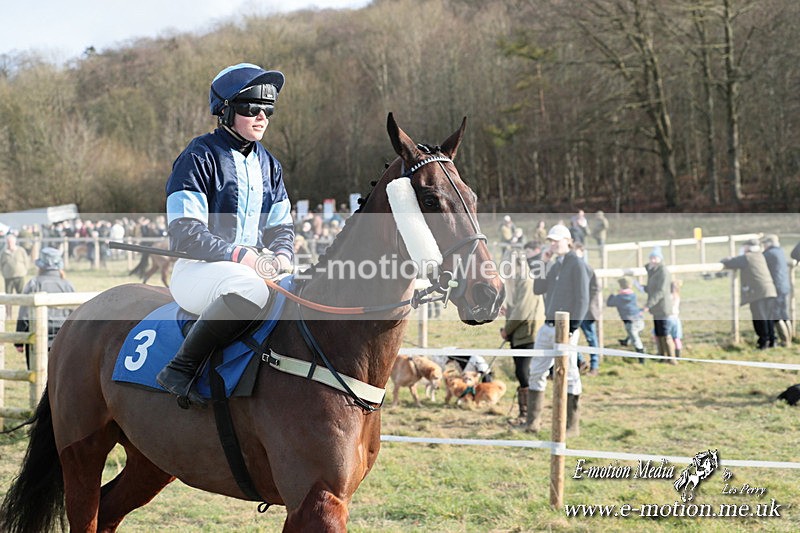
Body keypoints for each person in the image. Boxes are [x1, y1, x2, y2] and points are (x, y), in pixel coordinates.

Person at [157, 63, 295, 408]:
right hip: (199, 270)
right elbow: (186, 234)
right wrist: (243, 255)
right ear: (225, 111)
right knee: (249, 288)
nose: (262, 117)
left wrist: (282, 255)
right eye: (251, 109)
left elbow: (281, 227)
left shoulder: (270, 165)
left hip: (251, 267)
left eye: (268, 110)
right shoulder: (197, 157)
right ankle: (180, 369)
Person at [527, 224, 589, 437]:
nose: (553, 244)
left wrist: (572, 329)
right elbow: (538, 289)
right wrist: (543, 263)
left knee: (570, 373)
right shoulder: (554, 265)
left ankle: (572, 425)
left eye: (556, 241)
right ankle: (533, 422)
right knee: (536, 371)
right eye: (551, 241)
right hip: (548, 325)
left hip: (566, 329)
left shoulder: (577, 264)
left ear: (568, 241)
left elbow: (582, 299)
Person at [501, 241, 545, 425]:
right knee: (521, 372)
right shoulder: (517, 281)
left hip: (528, 332)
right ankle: (525, 414)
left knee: (523, 372)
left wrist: (506, 330)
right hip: (519, 332)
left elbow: (522, 311)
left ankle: (529, 416)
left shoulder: (526, 280)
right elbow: (515, 308)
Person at [15, 248, 75, 370]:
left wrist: (19, 340)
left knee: (37, 375)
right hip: (62, 338)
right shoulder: (67, 285)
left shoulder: (34, 283)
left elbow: (24, 314)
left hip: (37, 337)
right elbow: (74, 313)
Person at [721, 240, 777, 349]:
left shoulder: (747, 257)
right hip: (769, 290)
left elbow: (730, 262)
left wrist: (725, 259)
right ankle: (772, 340)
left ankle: (763, 342)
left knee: (759, 318)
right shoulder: (759, 256)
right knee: (768, 317)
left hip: (758, 292)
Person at [644, 246, 676, 364]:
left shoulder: (663, 272)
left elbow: (660, 291)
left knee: (665, 333)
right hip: (656, 308)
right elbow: (652, 287)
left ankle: (671, 358)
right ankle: (662, 356)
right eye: (651, 258)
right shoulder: (654, 271)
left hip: (663, 307)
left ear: (660, 258)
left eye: (655, 258)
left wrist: (649, 304)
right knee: (658, 333)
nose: (652, 260)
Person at [574, 242, 601, 375]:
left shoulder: (587, 269)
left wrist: (588, 304)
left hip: (586, 311)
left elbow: (595, 288)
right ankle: (581, 361)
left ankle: (595, 365)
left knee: (591, 337)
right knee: (569, 337)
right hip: (574, 310)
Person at [761, 234, 792, 346]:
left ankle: (785, 341)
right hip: (784, 286)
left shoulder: (768, 254)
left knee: (776, 314)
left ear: (768, 243)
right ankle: (790, 338)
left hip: (777, 287)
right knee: (784, 313)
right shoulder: (780, 251)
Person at [606, 277, 646, 363]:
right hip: (639, 319)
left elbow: (609, 303)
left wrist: (612, 294)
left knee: (636, 340)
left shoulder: (619, 297)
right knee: (634, 334)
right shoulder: (633, 295)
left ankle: (641, 358)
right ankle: (626, 341)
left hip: (630, 322)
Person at [1, 234, 30, 316]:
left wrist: (24, 271)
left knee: (21, 296)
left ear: (15, 242)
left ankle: (23, 314)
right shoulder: (4, 252)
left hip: (19, 276)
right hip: (8, 277)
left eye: (11, 242)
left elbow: (26, 261)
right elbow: (1, 264)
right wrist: (3, 272)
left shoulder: (20, 250)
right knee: (8, 297)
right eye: (8, 242)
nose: (10, 243)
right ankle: (8, 315)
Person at [667, 280, 684, 358]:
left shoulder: (668, 297)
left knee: (667, 336)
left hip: (668, 317)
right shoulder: (677, 296)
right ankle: (678, 354)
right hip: (676, 318)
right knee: (676, 337)